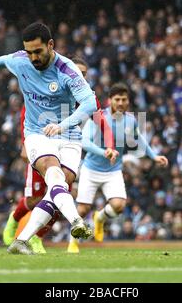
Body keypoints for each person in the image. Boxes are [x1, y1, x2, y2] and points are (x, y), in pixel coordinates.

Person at [0, 22, 101, 255]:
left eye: (38, 51)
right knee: (54, 175)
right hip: (36, 134)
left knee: (59, 187)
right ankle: (76, 222)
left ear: (50, 45)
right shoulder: (20, 60)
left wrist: (62, 125)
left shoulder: (67, 69)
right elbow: (3, 60)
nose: (33, 57)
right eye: (29, 51)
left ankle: (21, 240)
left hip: (69, 135)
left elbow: (91, 103)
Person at [1, 57, 117, 253]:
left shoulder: (87, 97)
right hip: (43, 146)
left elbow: (102, 122)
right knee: (34, 199)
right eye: (77, 71)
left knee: (57, 194)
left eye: (84, 74)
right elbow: (26, 113)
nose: (79, 76)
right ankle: (15, 218)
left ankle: (34, 238)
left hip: (69, 147)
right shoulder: (50, 88)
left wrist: (111, 145)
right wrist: (24, 143)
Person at [67, 82, 169, 253]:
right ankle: (73, 242)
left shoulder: (130, 120)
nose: (121, 103)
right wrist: (104, 152)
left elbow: (139, 138)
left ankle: (99, 218)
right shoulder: (98, 117)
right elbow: (84, 142)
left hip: (113, 171)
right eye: (117, 99)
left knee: (119, 206)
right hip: (91, 169)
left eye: (124, 99)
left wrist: (154, 156)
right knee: (83, 209)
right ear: (109, 101)